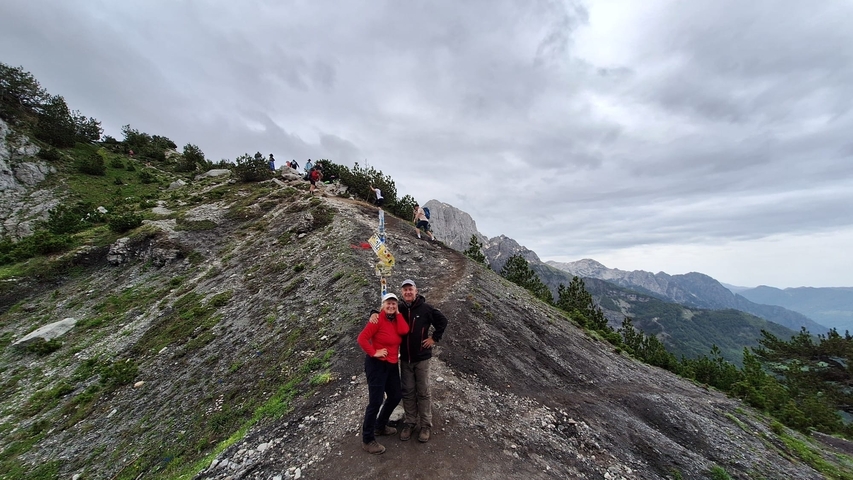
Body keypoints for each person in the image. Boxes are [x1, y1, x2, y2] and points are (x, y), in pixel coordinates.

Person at [369, 279, 448, 443]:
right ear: (402, 292)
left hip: (422, 359)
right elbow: (385, 313)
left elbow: (442, 321)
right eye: (405, 290)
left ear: (416, 291)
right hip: (405, 358)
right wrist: (373, 313)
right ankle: (410, 422)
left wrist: (434, 338)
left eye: (410, 289)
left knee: (423, 391)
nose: (407, 293)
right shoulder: (400, 309)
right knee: (408, 392)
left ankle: (425, 425)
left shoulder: (426, 309)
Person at [358, 292, 410, 455]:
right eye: (388, 303)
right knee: (375, 401)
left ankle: (380, 426)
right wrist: (374, 352)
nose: (391, 306)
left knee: (395, 396)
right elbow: (362, 339)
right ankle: (367, 439)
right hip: (377, 365)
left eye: (394, 304)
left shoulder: (396, 320)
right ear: (383, 305)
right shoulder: (377, 319)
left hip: (392, 364)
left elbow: (404, 330)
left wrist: (399, 314)